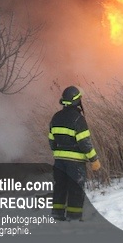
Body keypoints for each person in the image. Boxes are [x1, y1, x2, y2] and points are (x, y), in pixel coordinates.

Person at [48, 85, 101, 221]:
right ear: (77, 101)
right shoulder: (78, 119)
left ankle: (57, 214)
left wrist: (59, 153)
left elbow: (51, 141)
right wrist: (94, 159)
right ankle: (74, 217)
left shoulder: (56, 117)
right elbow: (85, 143)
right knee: (75, 189)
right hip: (75, 163)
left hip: (59, 162)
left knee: (60, 187)